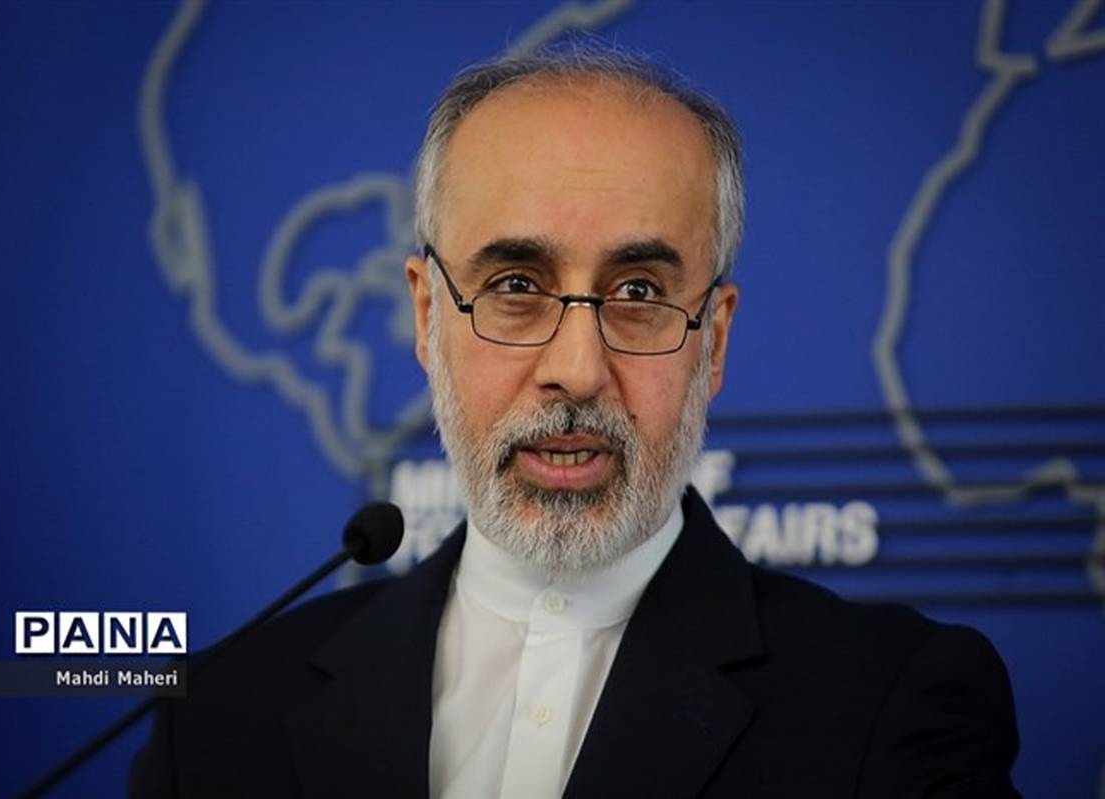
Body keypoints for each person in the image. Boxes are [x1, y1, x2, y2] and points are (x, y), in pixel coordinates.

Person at [131, 43, 1020, 798]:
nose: (578, 369)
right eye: (516, 286)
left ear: (713, 341)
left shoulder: (892, 708)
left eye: (640, 293)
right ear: (427, 317)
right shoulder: (218, 719)